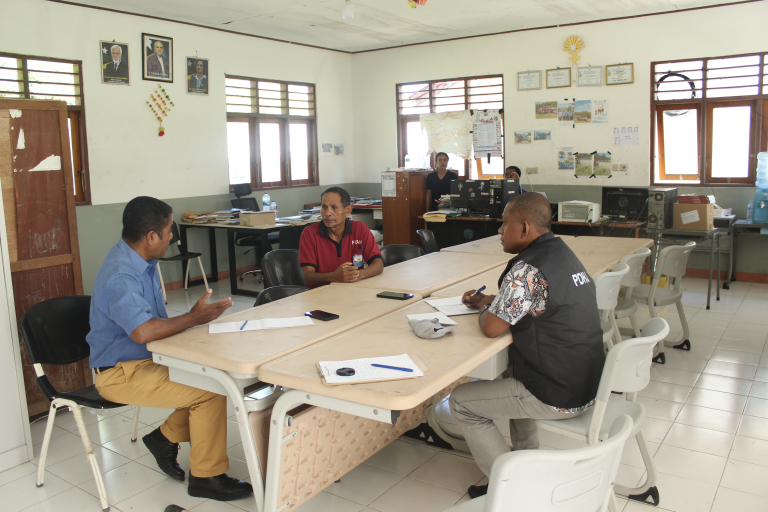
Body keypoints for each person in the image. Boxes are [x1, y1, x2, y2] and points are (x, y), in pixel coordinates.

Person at [87, 196, 252, 502]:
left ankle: (164, 438)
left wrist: (195, 323)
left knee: (214, 377)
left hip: (147, 359)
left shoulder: (141, 261)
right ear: (151, 237)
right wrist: (193, 318)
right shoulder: (121, 275)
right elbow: (143, 331)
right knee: (209, 391)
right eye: (167, 232)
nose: (172, 237)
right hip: (119, 373)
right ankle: (206, 477)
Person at [450, 193, 604, 499]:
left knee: (462, 402)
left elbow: (492, 328)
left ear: (523, 228)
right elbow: (536, 299)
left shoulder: (526, 269)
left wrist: (486, 308)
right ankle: (525, 459)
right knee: (512, 373)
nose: (499, 231)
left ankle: (512, 488)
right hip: (587, 382)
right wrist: (492, 301)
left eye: (504, 224)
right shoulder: (562, 253)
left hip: (557, 392)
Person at [300, 186, 383, 288]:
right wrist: (333, 277)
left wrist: (358, 274)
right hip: (321, 292)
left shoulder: (360, 229)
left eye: (334, 207)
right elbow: (307, 276)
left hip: (353, 288)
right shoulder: (309, 233)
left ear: (348, 210)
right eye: (324, 207)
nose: (327, 213)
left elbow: (378, 264)